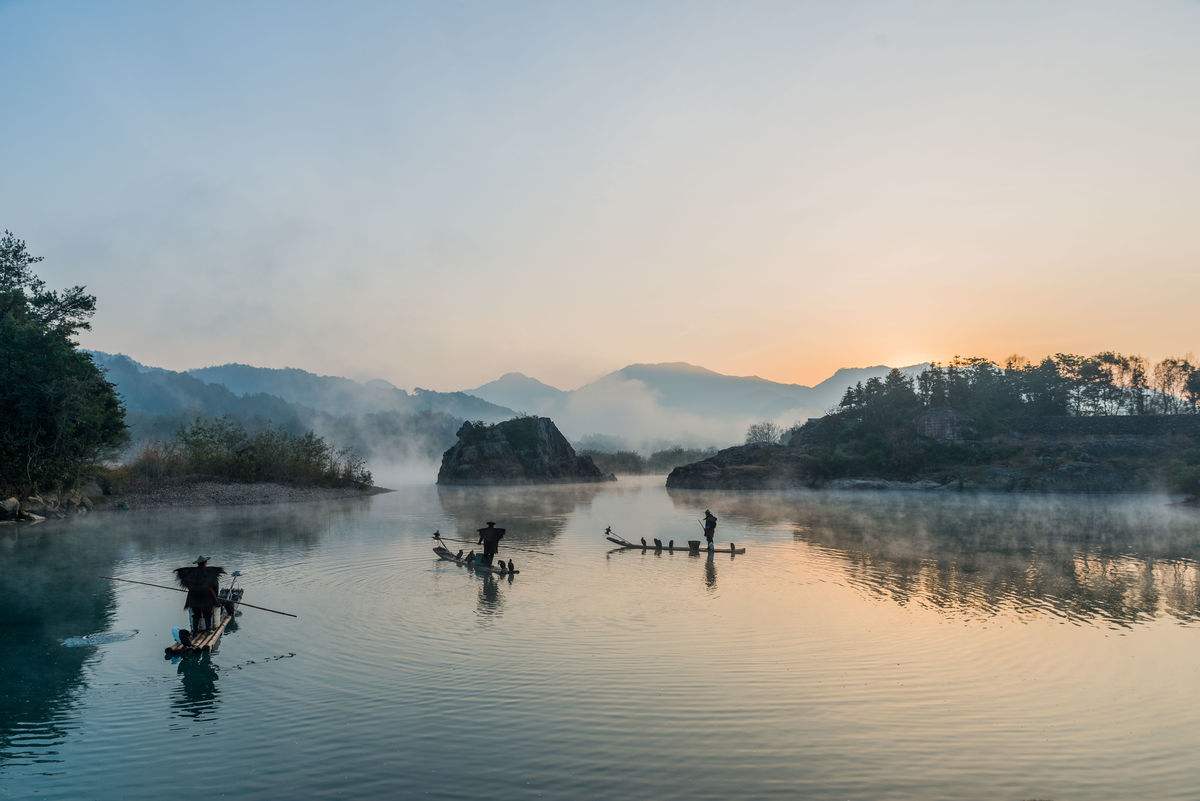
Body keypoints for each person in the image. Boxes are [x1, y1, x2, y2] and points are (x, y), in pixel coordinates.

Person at [174, 556, 225, 633]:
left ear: (198, 563)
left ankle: (194, 631)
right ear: (205, 563)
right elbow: (215, 586)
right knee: (207, 614)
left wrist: (195, 589)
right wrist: (215, 597)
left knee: (196, 615)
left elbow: (188, 585)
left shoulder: (190, 573)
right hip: (207, 598)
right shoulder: (210, 572)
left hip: (193, 598)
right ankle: (208, 630)